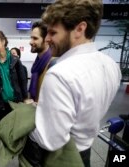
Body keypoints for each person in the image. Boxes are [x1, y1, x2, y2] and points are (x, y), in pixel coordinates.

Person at [22, 0, 122, 167]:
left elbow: (50, 140)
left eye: (53, 33)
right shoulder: (111, 65)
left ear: (80, 29)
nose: (47, 39)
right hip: (85, 152)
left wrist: (28, 120)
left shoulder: (59, 74)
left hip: (61, 158)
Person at [28, 21, 56, 103]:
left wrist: (35, 104)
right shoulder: (37, 63)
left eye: (35, 38)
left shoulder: (52, 65)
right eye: (31, 38)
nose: (30, 42)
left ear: (46, 40)